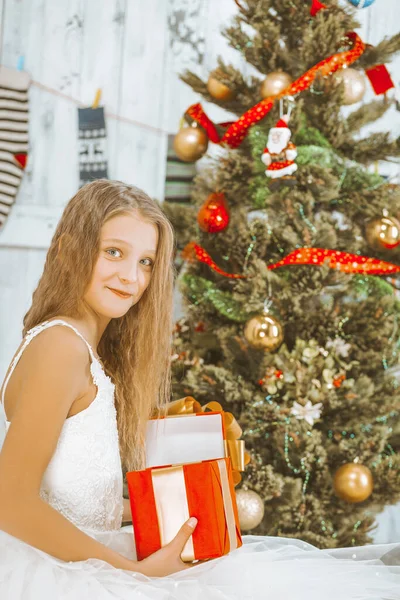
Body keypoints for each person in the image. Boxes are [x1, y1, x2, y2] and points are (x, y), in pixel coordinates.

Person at [0, 179, 399, 600]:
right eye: (113, 252)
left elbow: (73, 504)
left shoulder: (80, 348)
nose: (130, 277)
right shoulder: (61, 346)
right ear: (68, 249)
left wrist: (160, 506)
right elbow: (10, 501)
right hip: (57, 576)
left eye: (146, 262)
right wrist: (136, 574)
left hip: (84, 557)